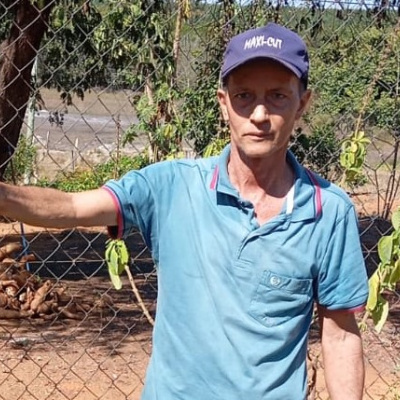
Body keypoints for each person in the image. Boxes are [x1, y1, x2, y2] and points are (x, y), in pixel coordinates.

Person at [0, 23, 368, 399]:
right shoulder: (171, 187)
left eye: (277, 96)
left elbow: (340, 336)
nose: (259, 114)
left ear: (302, 104)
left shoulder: (328, 211)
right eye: (244, 96)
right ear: (223, 104)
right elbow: (72, 206)